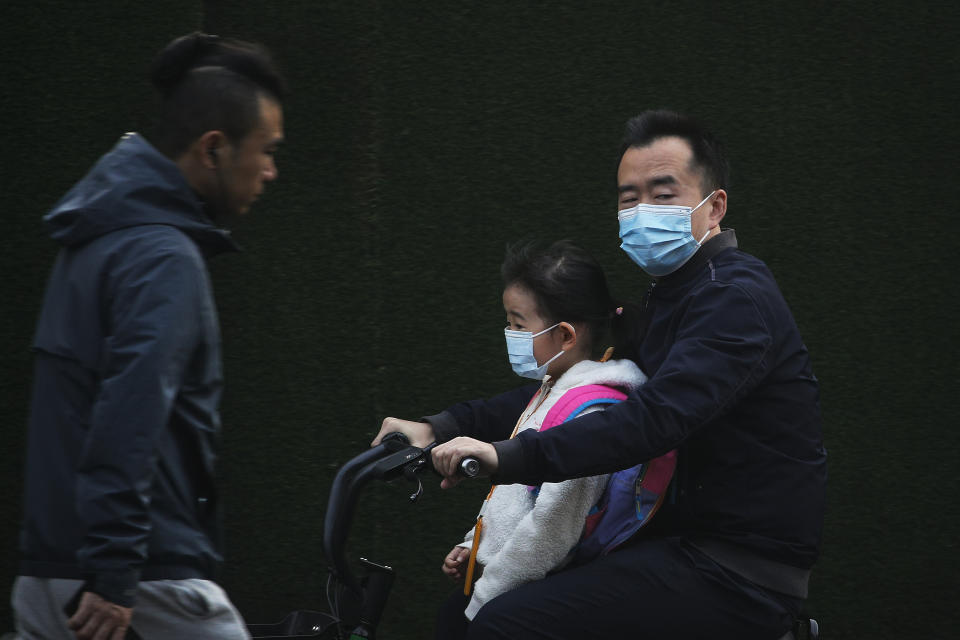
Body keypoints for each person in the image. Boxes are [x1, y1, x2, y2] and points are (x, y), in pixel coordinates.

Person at [374, 110, 827, 639]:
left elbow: (653, 421)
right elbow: (574, 388)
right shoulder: (669, 299)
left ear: (715, 207)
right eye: (628, 197)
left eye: (663, 193)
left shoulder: (734, 299)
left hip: (736, 569)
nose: (642, 210)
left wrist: (508, 458)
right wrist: (441, 427)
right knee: (460, 615)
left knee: (504, 627)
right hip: (676, 547)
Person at [12, 32, 285, 640]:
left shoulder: (95, 240)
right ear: (214, 148)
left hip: (50, 573)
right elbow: (130, 413)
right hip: (138, 581)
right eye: (265, 149)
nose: (270, 170)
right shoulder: (163, 256)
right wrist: (115, 573)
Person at [435, 240, 648, 639]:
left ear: (565, 335)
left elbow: (552, 529)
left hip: (527, 595)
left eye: (518, 324)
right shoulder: (553, 389)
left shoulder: (592, 411)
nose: (509, 333)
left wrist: (484, 598)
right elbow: (514, 498)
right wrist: (474, 547)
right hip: (504, 581)